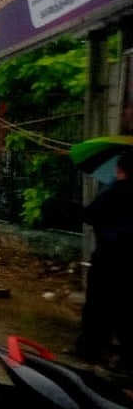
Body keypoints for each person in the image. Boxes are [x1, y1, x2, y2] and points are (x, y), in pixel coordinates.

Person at [75, 153, 133, 363]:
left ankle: (91, 349)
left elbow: (89, 215)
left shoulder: (113, 191)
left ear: (120, 169)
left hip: (109, 257)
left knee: (99, 305)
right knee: (127, 307)